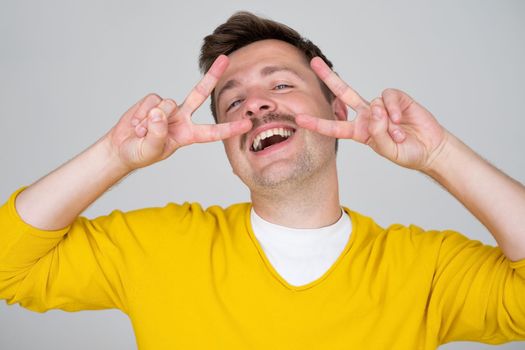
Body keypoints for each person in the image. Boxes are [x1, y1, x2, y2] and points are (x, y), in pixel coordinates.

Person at [1, 11, 524, 350]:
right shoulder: (160, 245)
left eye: (280, 83)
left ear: (336, 107)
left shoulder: (423, 269)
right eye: (233, 101)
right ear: (228, 142)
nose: (255, 103)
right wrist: (116, 156)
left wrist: (438, 154)